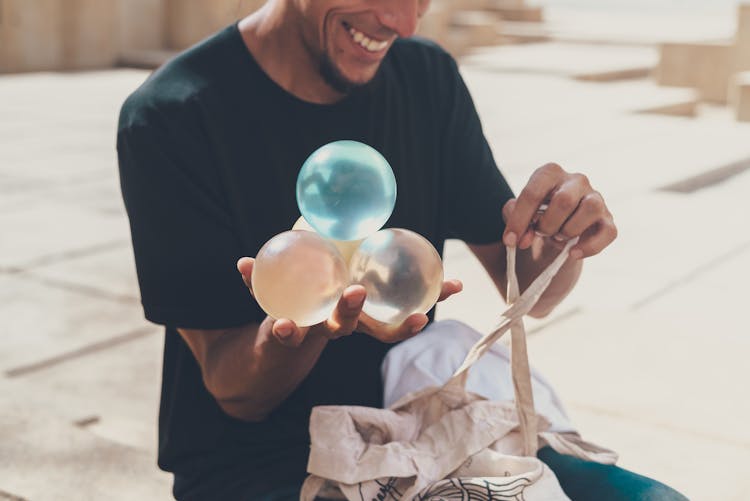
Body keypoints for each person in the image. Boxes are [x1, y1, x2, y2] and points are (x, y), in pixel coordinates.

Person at [116, 1, 686, 500]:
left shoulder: (427, 78)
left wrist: (562, 242)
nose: (404, 21)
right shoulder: (172, 116)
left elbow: (529, 289)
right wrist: (310, 324)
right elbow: (236, 394)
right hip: (261, 467)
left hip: (419, 424)